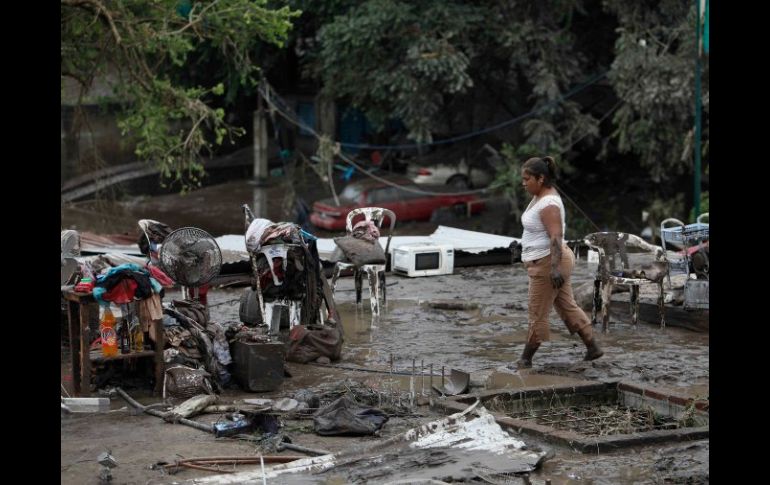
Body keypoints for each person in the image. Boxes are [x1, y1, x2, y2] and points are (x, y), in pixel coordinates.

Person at [516, 156, 603, 368]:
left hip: (549, 263)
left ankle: (525, 360)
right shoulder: (539, 196)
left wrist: (554, 269)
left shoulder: (549, 204)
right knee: (566, 305)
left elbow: (556, 236)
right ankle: (593, 348)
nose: (523, 183)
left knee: (537, 312)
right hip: (548, 260)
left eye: (527, 179)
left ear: (540, 178)